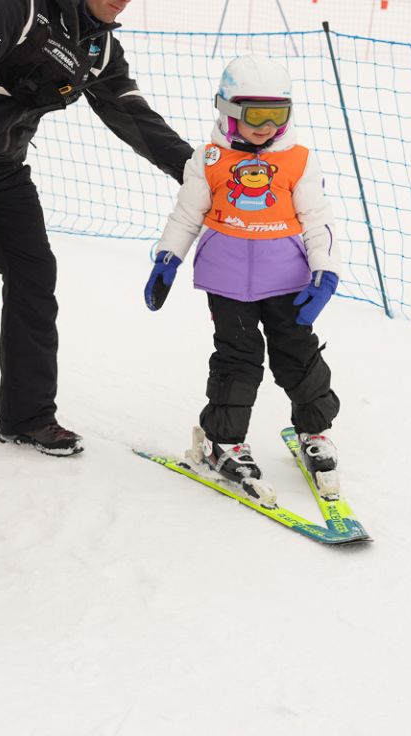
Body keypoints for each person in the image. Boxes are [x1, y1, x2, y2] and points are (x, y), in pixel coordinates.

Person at [0, 0, 193, 457]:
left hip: (2, 171)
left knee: (34, 274)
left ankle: (27, 417)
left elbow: (134, 117)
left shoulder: (96, 44)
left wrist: (199, 174)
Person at [144, 54, 343, 505]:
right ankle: (224, 442)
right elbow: (187, 214)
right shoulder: (208, 159)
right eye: (256, 116)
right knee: (238, 358)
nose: (267, 127)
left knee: (298, 353)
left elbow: (318, 219)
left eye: (278, 115)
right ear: (229, 109)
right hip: (228, 282)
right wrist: (168, 258)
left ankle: (314, 431)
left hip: (287, 280)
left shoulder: (298, 161)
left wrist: (326, 269)